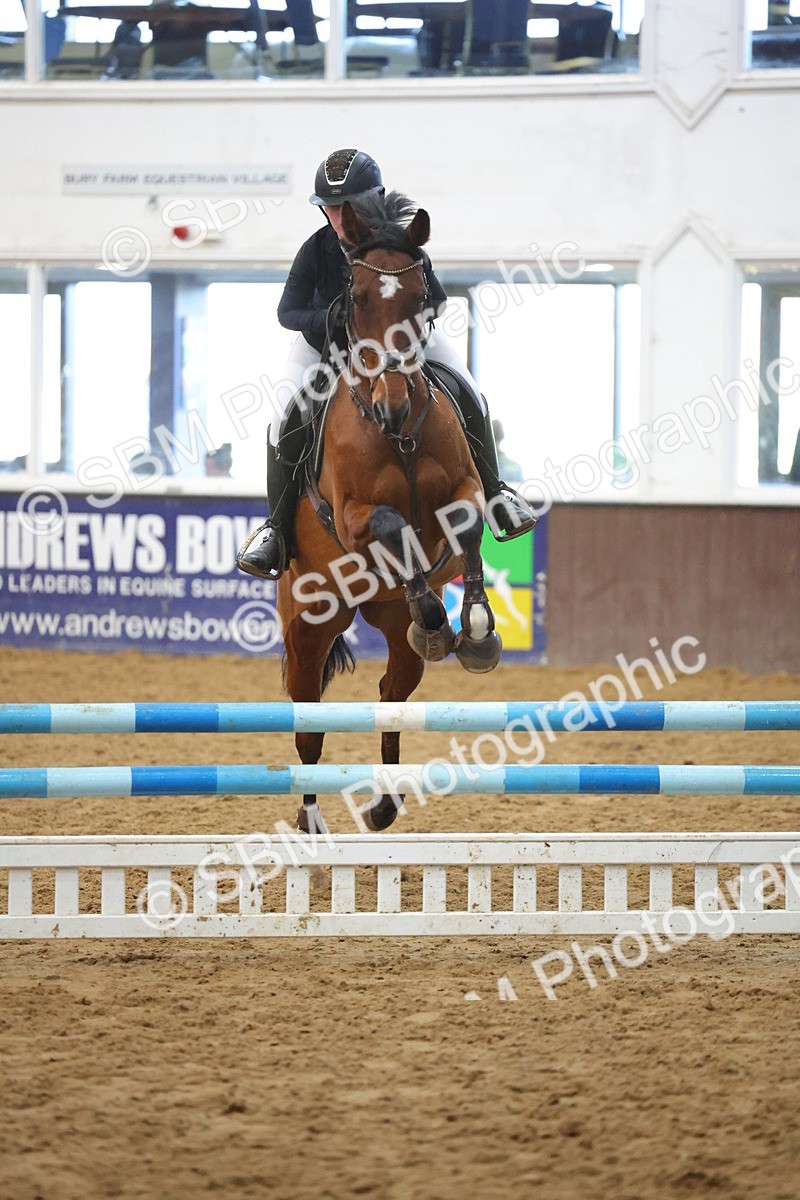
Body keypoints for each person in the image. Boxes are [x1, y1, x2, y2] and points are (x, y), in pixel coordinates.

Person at [236, 148, 535, 580]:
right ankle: (276, 529)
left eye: (349, 205)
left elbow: (437, 301)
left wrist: (399, 327)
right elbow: (287, 312)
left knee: (470, 390)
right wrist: (331, 319)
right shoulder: (316, 248)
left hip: (400, 348)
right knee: (283, 414)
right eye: (331, 207)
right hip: (325, 349)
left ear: (373, 199)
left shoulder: (403, 244)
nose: (339, 216)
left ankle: (497, 494)